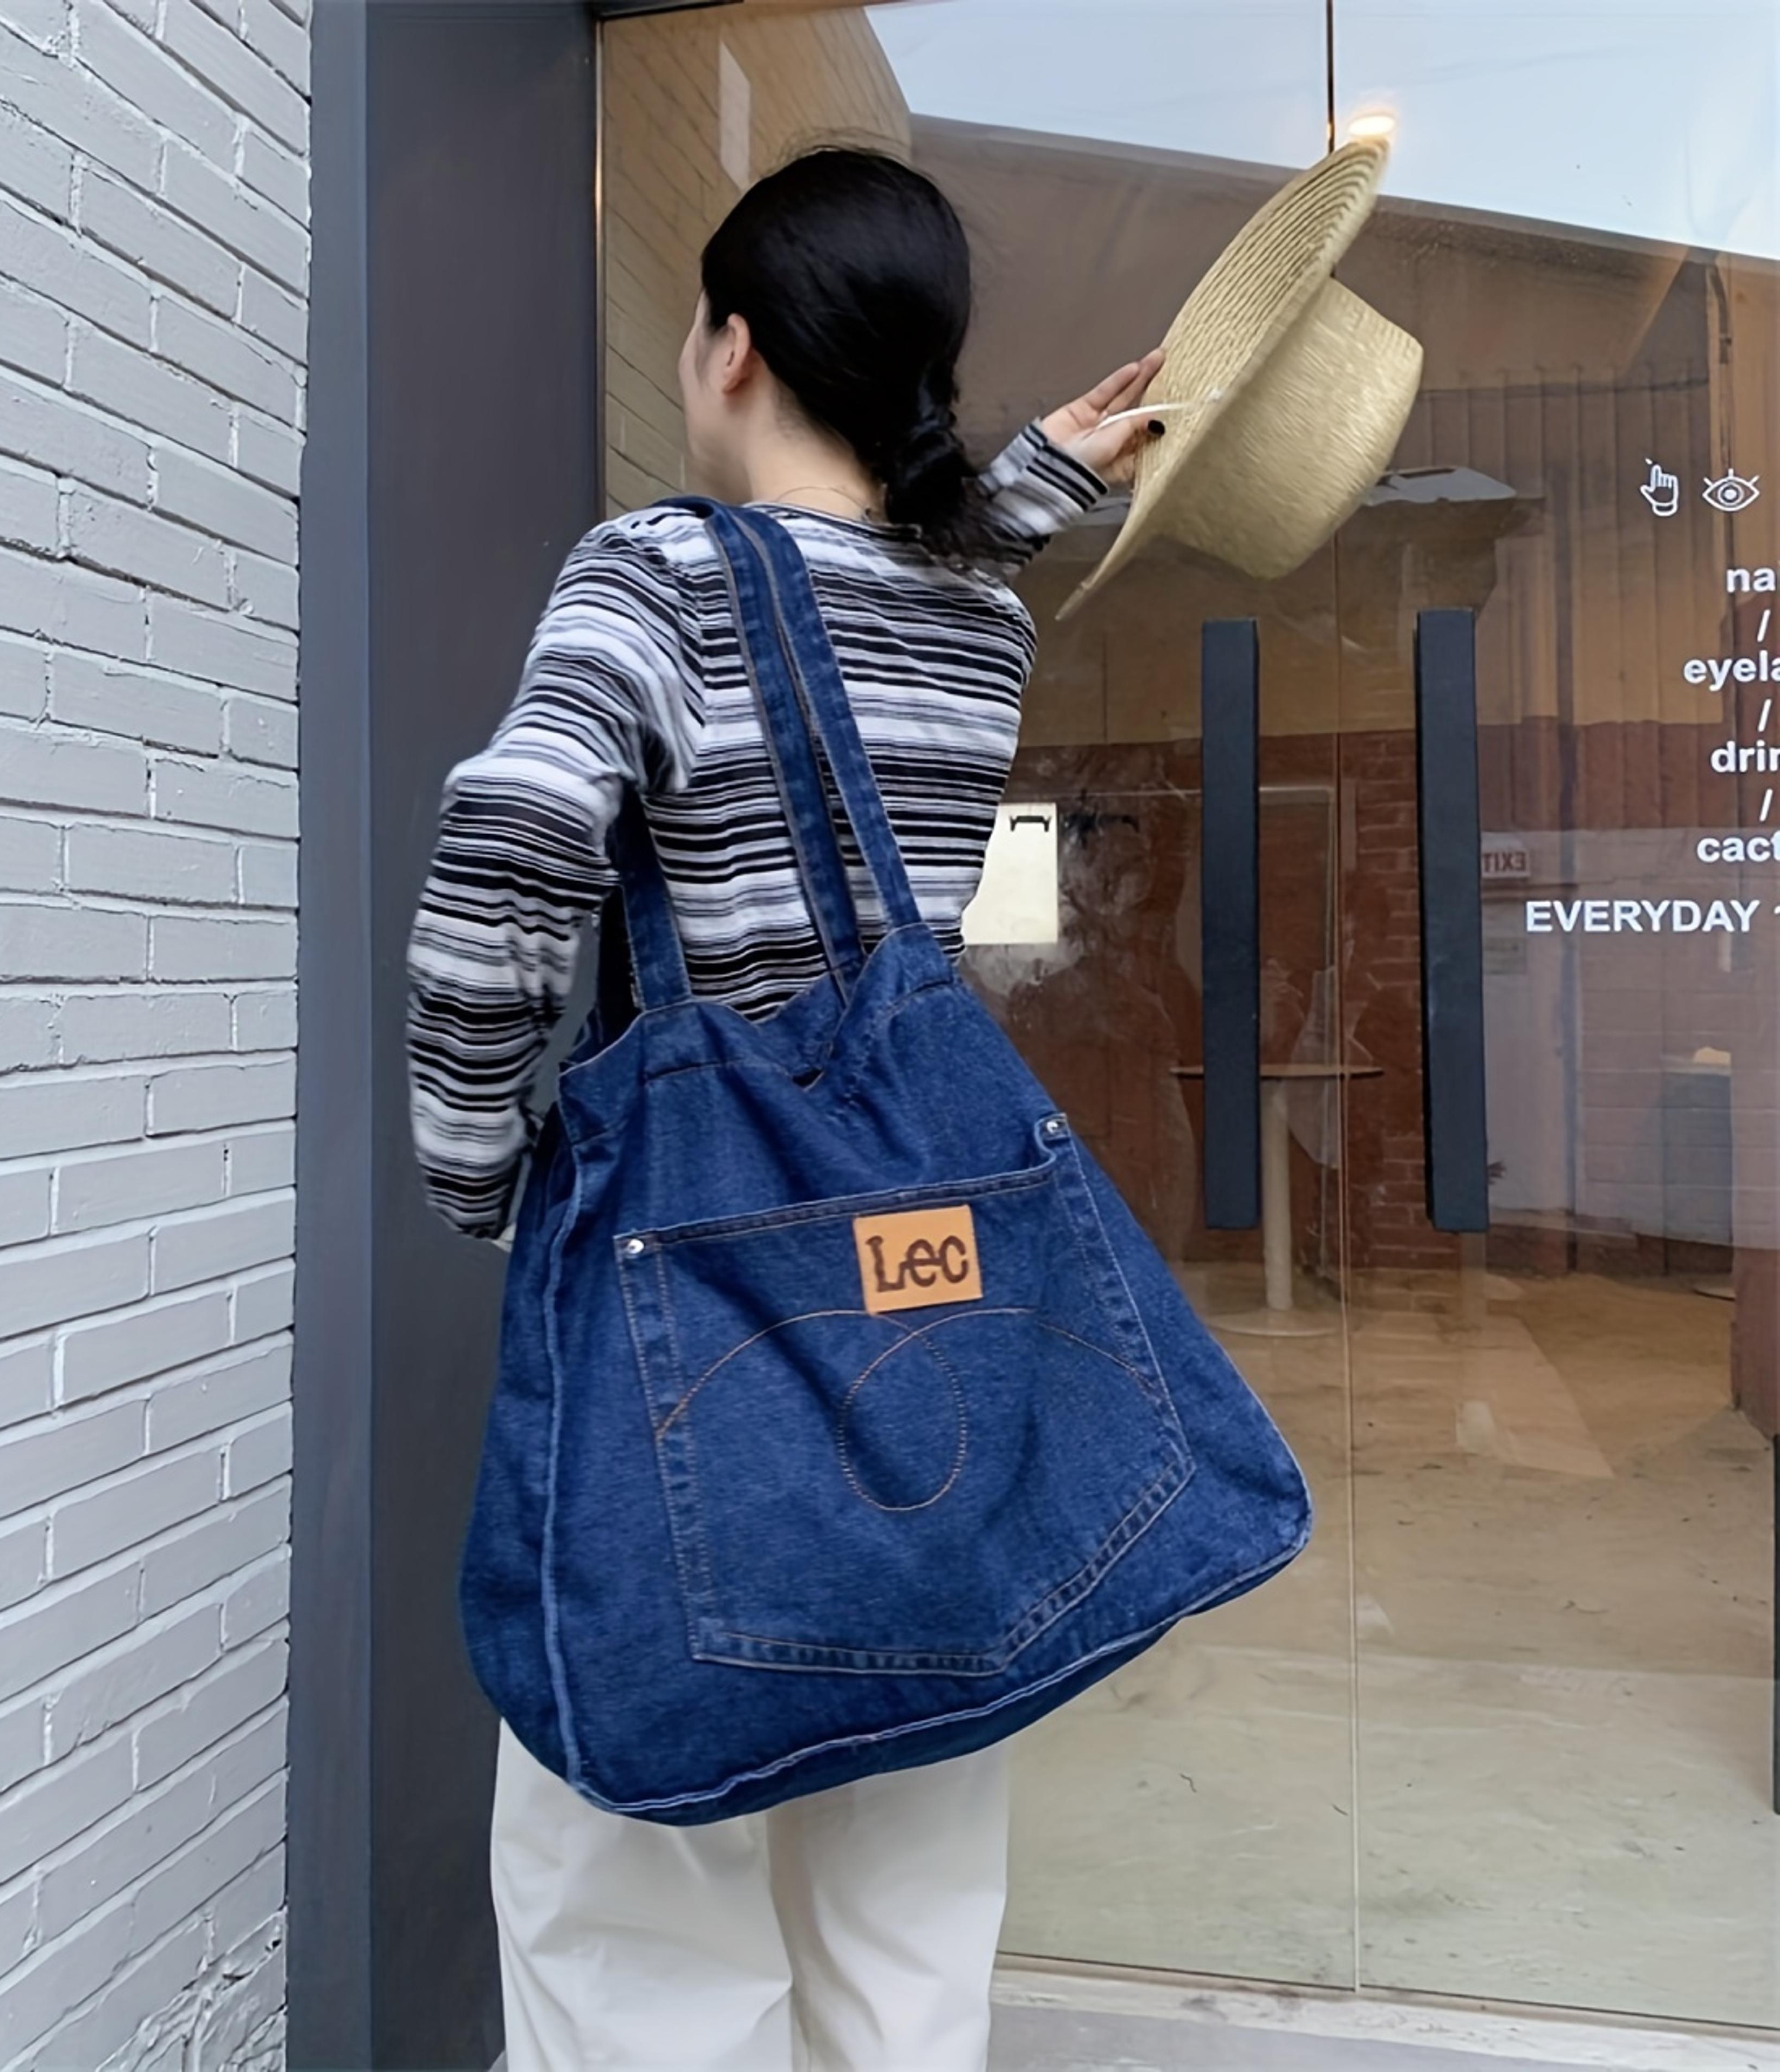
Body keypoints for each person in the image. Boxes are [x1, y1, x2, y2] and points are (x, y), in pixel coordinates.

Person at [406, 146, 1162, 2072]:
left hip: (704, 1266)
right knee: (909, 1875)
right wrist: (1039, 489)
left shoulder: (652, 575)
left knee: (636, 1883)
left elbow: (508, 855)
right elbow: (883, 591)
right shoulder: (980, 622)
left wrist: (482, 1167)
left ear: (731, 347)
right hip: (919, 1273)